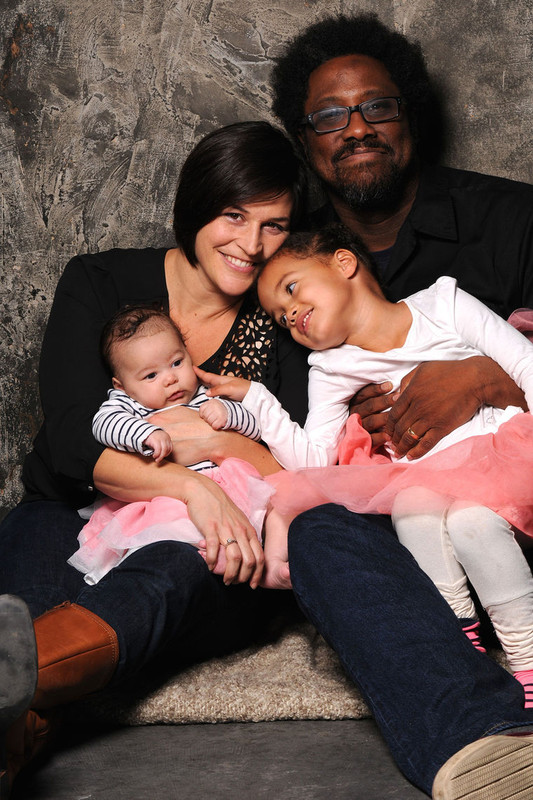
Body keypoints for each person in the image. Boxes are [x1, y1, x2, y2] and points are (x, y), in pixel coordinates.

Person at [0, 120, 309, 793]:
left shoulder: (285, 315)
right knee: (17, 621)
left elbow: (296, 467)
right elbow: (73, 443)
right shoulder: (100, 281)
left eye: (275, 226)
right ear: (197, 204)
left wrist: (220, 454)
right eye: (234, 215)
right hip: (71, 503)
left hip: (203, 543)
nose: (252, 246)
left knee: (167, 574)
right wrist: (193, 486)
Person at [270, 12, 533, 799]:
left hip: (518, 493)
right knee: (316, 529)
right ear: (306, 139)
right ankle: (479, 734)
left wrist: (486, 377)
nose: (356, 129)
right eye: (329, 116)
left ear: (408, 118)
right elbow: (306, 437)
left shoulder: (511, 221)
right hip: (407, 528)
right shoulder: (290, 274)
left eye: (376, 107)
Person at [200, 223, 533, 706]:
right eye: (280, 316)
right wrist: (257, 399)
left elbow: (524, 364)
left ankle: (526, 657)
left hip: (501, 456)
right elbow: (312, 460)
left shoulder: (443, 305)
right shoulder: (331, 369)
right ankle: (461, 642)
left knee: (471, 524)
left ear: (343, 263)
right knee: (411, 510)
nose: (290, 314)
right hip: (426, 474)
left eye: (291, 288)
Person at [69, 304, 273, 587]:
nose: (170, 378)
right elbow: (103, 424)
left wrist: (230, 415)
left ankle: (264, 566)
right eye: (151, 376)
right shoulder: (129, 404)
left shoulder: (208, 396)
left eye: (177, 363)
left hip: (225, 491)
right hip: (163, 495)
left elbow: (257, 427)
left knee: (267, 519)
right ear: (122, 385)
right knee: (162, 544)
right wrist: (143, 433)